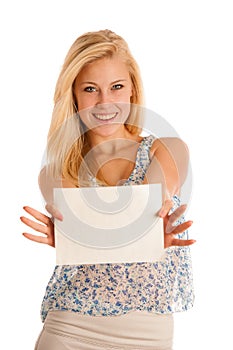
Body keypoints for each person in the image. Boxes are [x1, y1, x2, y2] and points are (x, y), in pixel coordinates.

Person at [20, 29, 195, 350]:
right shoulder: (58, 170)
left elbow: (150, 201)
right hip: (72, 327)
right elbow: (138, 221)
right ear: (73, 95)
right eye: (90, 89)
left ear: (132, 90)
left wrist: (93, 235)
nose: (104, 103)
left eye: (116, 87)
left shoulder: (167, 148)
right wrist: (144, 236)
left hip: (147, 332)